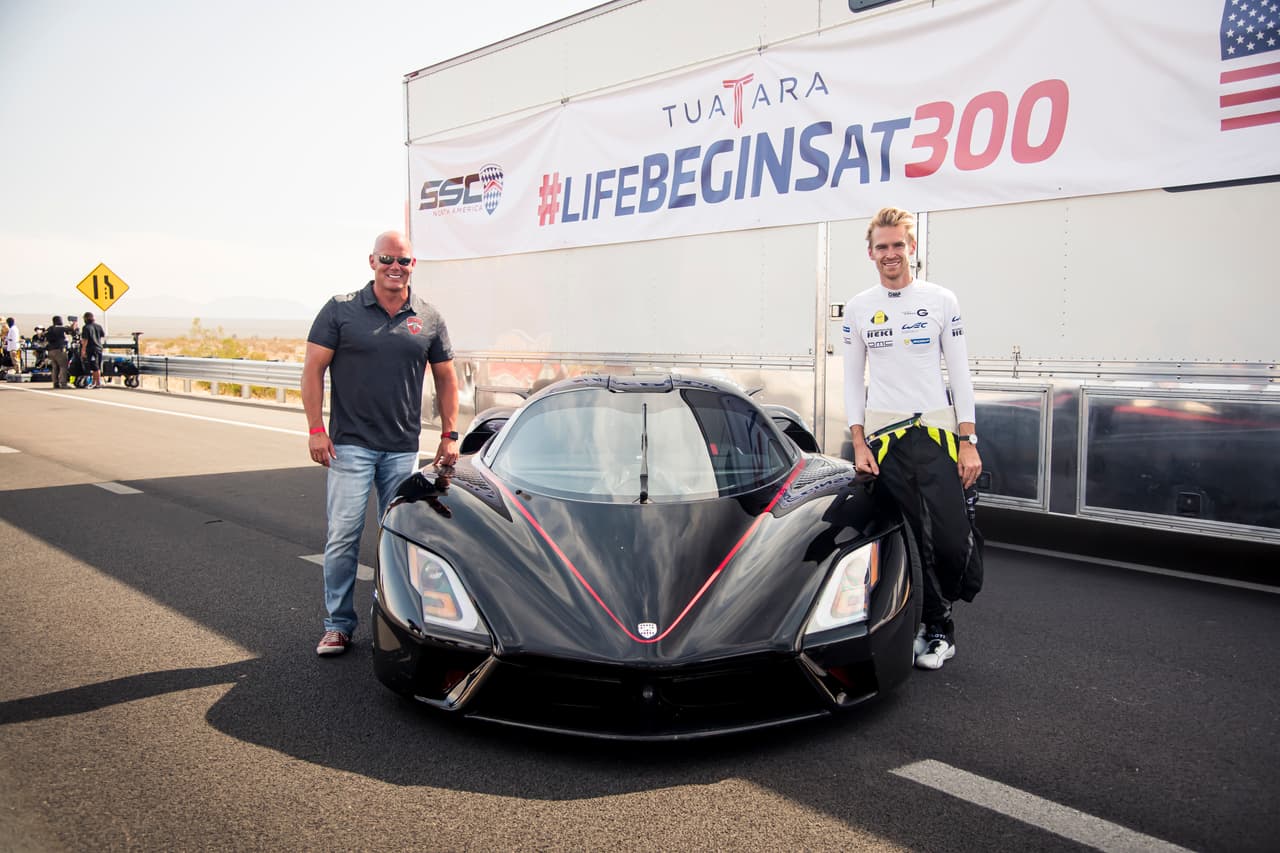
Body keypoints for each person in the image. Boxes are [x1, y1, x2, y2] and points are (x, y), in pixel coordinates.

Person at [303, 230, 460, 657]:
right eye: (387, 258)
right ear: (371, 261)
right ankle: (337, 625)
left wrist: (449, 434)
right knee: (344, 537)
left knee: (403, 539)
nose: (395, 266)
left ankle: (403, 625)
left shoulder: (427, 317)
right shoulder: (341, 311)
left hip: (403, 449)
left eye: (404, 261)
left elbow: (446, 378)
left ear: (413, 266)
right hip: (350, 445)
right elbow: (313, 369)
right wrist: (317, 429)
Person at [842, 206, 983, 671]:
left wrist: (969, 439)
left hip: (939, 435)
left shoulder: (942, 300)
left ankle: (940, 612)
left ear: (912, 247)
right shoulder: (860, 307)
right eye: (881, 247)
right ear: (870, 253)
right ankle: (936, 626)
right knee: (907, 540)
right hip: (885, 440)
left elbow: (960, 374)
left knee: (948, 538)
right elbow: (851, 381)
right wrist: (859, 442)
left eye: (897, 245)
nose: (890, 254)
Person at [80, 312, 105, 389]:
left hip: (92, 349)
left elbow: (85, 340)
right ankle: (94, 382)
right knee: (96, 366)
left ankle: (98, 383)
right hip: (99, 348)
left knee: (95, 366)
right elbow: (102, 335)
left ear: (86, 318)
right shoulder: (98, 326)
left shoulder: (86, 327)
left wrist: (83, 350)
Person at [45, 316, 71, 388]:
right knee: (63, 366)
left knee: (55, 367)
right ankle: (63, 383)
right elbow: (70, 330)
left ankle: (55, 383)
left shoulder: (50, 329)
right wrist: (73, 325)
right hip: (59, 350)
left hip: (51, 350)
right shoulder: (59, 328)